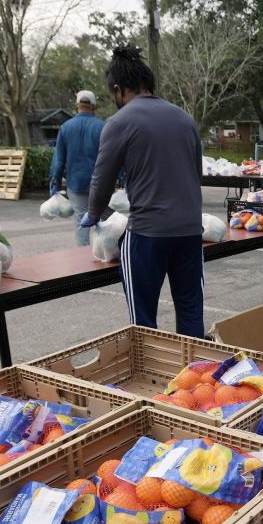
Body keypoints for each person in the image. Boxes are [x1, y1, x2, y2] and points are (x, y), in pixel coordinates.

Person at [81, 47, 204, 338]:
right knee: (190, 309)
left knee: (143, 318)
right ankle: (195, 377)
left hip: (148, 233)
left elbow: (102, 179)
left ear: (118, 89)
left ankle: (151, 378)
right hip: (189, 232)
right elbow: (195, 173)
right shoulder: (186, 120)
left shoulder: (120, 122)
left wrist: (93, 213)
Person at [49, 90, 106, 247]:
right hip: (101, 184)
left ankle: (84, 261)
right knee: (106, 221)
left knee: (82, 221)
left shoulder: (66, 128)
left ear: (77, 106)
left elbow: (59, 160)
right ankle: (109, 257)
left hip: (76, 184)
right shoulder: (103, 127)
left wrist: (55, 182)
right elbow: (114, 157)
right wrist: (122, 181)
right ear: (94, 106)